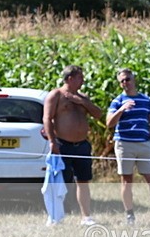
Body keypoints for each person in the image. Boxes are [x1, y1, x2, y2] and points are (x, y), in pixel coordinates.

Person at [106, 68, 150, 226]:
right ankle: (130, 215)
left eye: (128, 79)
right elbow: (109, 123)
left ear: (133, 79)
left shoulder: (145, 100)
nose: (125, 83)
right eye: (122, 81)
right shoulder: (117, 101)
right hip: (124, 143)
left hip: (144, 143)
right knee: (126, 180)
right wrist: (122, 110)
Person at [43, 65, 105, 226]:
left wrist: (81, 101)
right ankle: (56, 216)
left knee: (83, 180)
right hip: (62, 144)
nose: (83, 81)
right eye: (80, 78)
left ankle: (86, 217)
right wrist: (52, 141)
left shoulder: (82, 97)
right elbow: (47, 119)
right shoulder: (55, 95)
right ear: (70, 78)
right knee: (59, 182)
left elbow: (98, 114)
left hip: (82, 146)